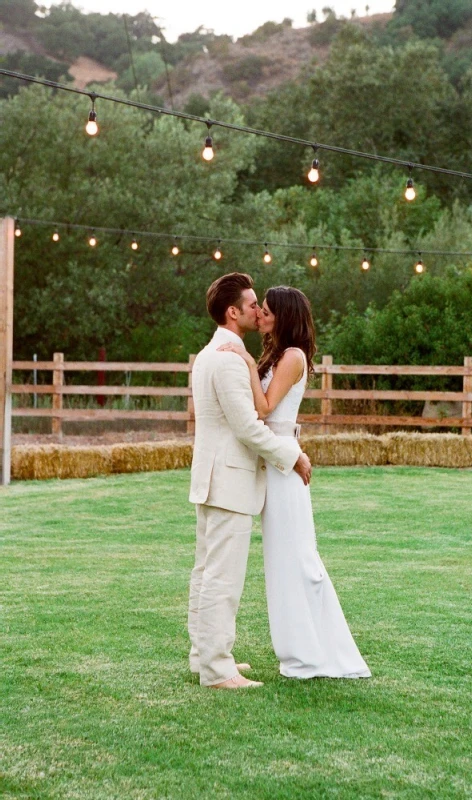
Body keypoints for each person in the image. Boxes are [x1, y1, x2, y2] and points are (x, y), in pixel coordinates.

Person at [218, 286, 371, 680]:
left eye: (267, 311)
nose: (261, 316)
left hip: (284, 460)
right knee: (282, 559)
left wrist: (247, 364)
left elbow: (265, 407)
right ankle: (297, 648)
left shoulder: (293, 356)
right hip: (276, 458)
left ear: (284, 316)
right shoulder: (278, 353)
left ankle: (312, 652)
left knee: (297, 557)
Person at [188, 272, 312, 690]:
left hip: (214, 477)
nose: (260, 310)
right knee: (221, 578)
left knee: (207, 572)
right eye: (253, 303)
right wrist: (292, 455)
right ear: (233, 311)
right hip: (230, 481)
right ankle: (216, 668)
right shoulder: (226, 358)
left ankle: (203, 655)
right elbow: (248, 427)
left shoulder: (209, 354)